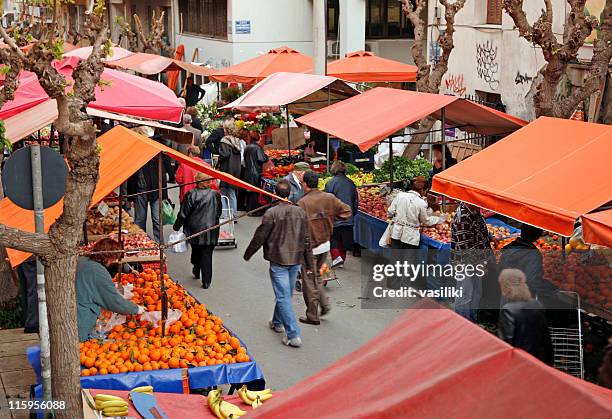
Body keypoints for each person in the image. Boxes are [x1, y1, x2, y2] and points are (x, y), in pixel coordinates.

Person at [244, 180, 314, 348]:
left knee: (283, 296)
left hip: (278, 260)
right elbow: (306, 240)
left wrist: (248, 254)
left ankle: (293, 334)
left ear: (274, 193)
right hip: (295, 259)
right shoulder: (300, 212)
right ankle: (277, 322)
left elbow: (260, 237)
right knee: (285, 295)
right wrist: (310, 264)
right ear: (289, 193)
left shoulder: (271, 213)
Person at [297, 171, 352, 325]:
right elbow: (347, 211)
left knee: (309, 281)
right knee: (318, 276)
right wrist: (331, 219)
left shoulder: (303, 203)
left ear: (305, 184)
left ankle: (312, 315)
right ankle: (325, 304)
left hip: (310, 249)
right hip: (325, 245)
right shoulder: (329, 198)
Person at [76, 238, 145, 342]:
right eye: (113, 258)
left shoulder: (82, 260)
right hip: (81, 317)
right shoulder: (98, 271)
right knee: (81, 346)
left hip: (72, 309)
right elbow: (113, 300)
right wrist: (136, 309)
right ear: (108, 257)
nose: (113, 262)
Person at [173, 172, 222, 289]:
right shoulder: (215, 194)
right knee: (207, 254)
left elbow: (183, 214)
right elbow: (218, 211)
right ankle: (206, 281)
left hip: (195, 228)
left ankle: (196, 268)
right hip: (211, 228)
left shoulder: (191, 194)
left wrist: (176, 227)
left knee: (196, 250)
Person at [497, 269, 554, 365]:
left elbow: (506, 344)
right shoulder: (537, 305)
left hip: (520, 364)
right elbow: (546, 338)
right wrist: (549, 364)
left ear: (506, 286)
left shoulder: (508, 310)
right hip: (540, 363)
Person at [451, 201, 492, 322]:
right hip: (466, 263)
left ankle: (471, 322)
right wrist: (479, 265)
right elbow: (466, 248)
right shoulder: (462, 218)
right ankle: (462, 324)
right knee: (465, 295)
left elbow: (479, 230)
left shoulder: (475, 212)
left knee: (476, 294)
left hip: (477, 260)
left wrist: (489, 237)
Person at [499, 224, 558, 304]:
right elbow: (534, 281)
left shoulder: (508, 249)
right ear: (537, 236)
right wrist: (553, 289)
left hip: (506, 298)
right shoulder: (533, 255)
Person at [387, 176, 440, 250]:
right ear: (423, 190)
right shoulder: (421, 203)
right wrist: (438, 219)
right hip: (410, 237)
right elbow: (425, 221)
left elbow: (390, 212)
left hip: (396, 233)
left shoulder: (400, 195)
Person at [324, 161, 358, 268]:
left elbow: (327, 200)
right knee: (344, 240)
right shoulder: (351, 183)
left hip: (335, 216)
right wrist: (353, 213)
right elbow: (355, 201)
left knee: (334, 238)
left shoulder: (330, 183)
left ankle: (336, 257)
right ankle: (341, 260)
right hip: (348, 216)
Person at [127, 156, 167, 243]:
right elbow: (131, 178)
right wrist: (130, 198)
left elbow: (162, 175)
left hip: (155, 191)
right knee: (140, 220)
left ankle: (160, 244)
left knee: (157, 220)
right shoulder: (135, 158)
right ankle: (140, 242)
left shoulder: (156, 156)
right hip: (139, 191)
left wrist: (164, 195)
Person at [217, 119, 242, 219]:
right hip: (235, 170)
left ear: (227, 130)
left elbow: (225, 154)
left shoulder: (224, 141)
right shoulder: (237, 141)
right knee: (232, 193)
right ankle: (234, 215)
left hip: (226, 169)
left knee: (223, 192)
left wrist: (219, 158)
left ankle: (225, 214)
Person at [243, 132, 269, 212]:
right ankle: (253, 210)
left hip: (247, 171)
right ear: (259, 138)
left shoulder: (247, 147)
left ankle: (249, 208)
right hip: (255, 172)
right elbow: (261, 159)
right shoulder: (257, 147)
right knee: (254, 192)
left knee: (250, 192)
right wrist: (266, 156)